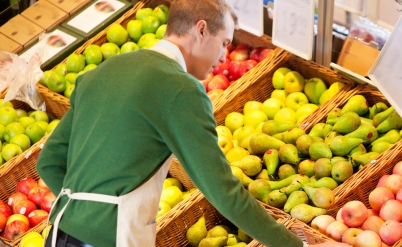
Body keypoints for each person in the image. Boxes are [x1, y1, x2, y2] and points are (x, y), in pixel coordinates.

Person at [36, 0, 352, 246]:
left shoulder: (101, 72)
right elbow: (222, 191)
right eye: (224, 42)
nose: (223, 56)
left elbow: (48, 163)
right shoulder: (181, 89)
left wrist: (83, 210)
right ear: (201, 30)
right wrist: (297, 246)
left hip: (58, 232)